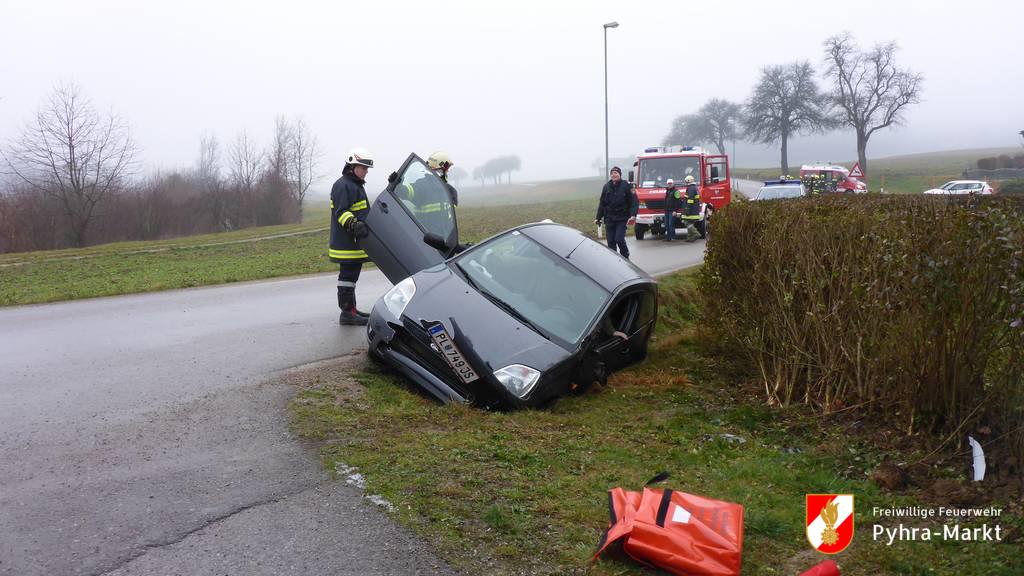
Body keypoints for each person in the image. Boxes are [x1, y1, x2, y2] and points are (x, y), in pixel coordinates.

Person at [330, 148, 374, 326]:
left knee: (352, 276)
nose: (366, 172)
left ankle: (352, 310)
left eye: (367, 169)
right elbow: (341, 212)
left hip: (354, 242)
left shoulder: (355, 185)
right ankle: (347, 313)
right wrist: (354, 224)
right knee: (347, 277)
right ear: (352, 166)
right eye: (363, 168)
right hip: (346, 242)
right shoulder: (342, 185)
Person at [595, 166, 634, 259]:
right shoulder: (606, 187)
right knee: (611, 242)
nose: (614, 175)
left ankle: (625, 257)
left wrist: (633, 215)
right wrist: (598, 217)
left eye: (616, 173)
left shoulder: (626, 186)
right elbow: (602, 203)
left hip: (622, 218)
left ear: (620, 174)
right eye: (612, 173)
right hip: (609, 218)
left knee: (619, 239)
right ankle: (615, 260)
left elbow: (633, 202)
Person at [680, 175, 702, 242]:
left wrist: (687, 208)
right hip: (694, 209)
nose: (685, 183)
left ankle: (696, 234)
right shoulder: (694, 188)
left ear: (688, 181)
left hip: (691, 210)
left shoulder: (691, 188)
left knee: (687, 223)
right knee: (690, 223)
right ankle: (690, 238)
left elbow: (690, 199)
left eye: (686, 181)